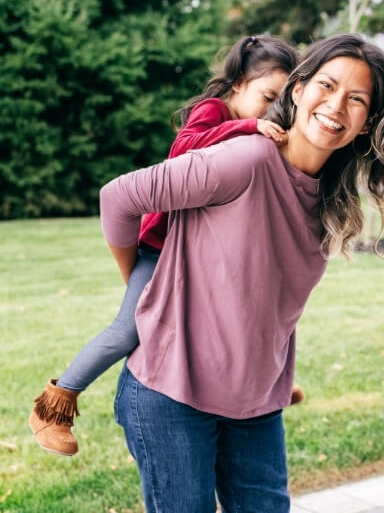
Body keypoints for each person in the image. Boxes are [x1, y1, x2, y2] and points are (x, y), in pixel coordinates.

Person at [101, 34, 384, 512]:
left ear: (365, 124)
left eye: (356, 99)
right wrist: (143, 283)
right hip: (171, 392)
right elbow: (118, 198)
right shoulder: (246, 159)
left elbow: (267, 300)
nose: (336, 105)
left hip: (254, 406)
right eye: (327, 85)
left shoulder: (332, 202)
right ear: (297, 90)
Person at [29, 34, 303, 457]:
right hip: (163, 248)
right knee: (127, 331)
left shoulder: (260, 131)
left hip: (203, 250)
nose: (272, 112)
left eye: (281, 104)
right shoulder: (213, 111)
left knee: (245, 308)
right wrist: (247, 126)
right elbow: (183, 148)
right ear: (238, 87)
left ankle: (262, 384)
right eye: (267, 97)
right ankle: (55, 405)